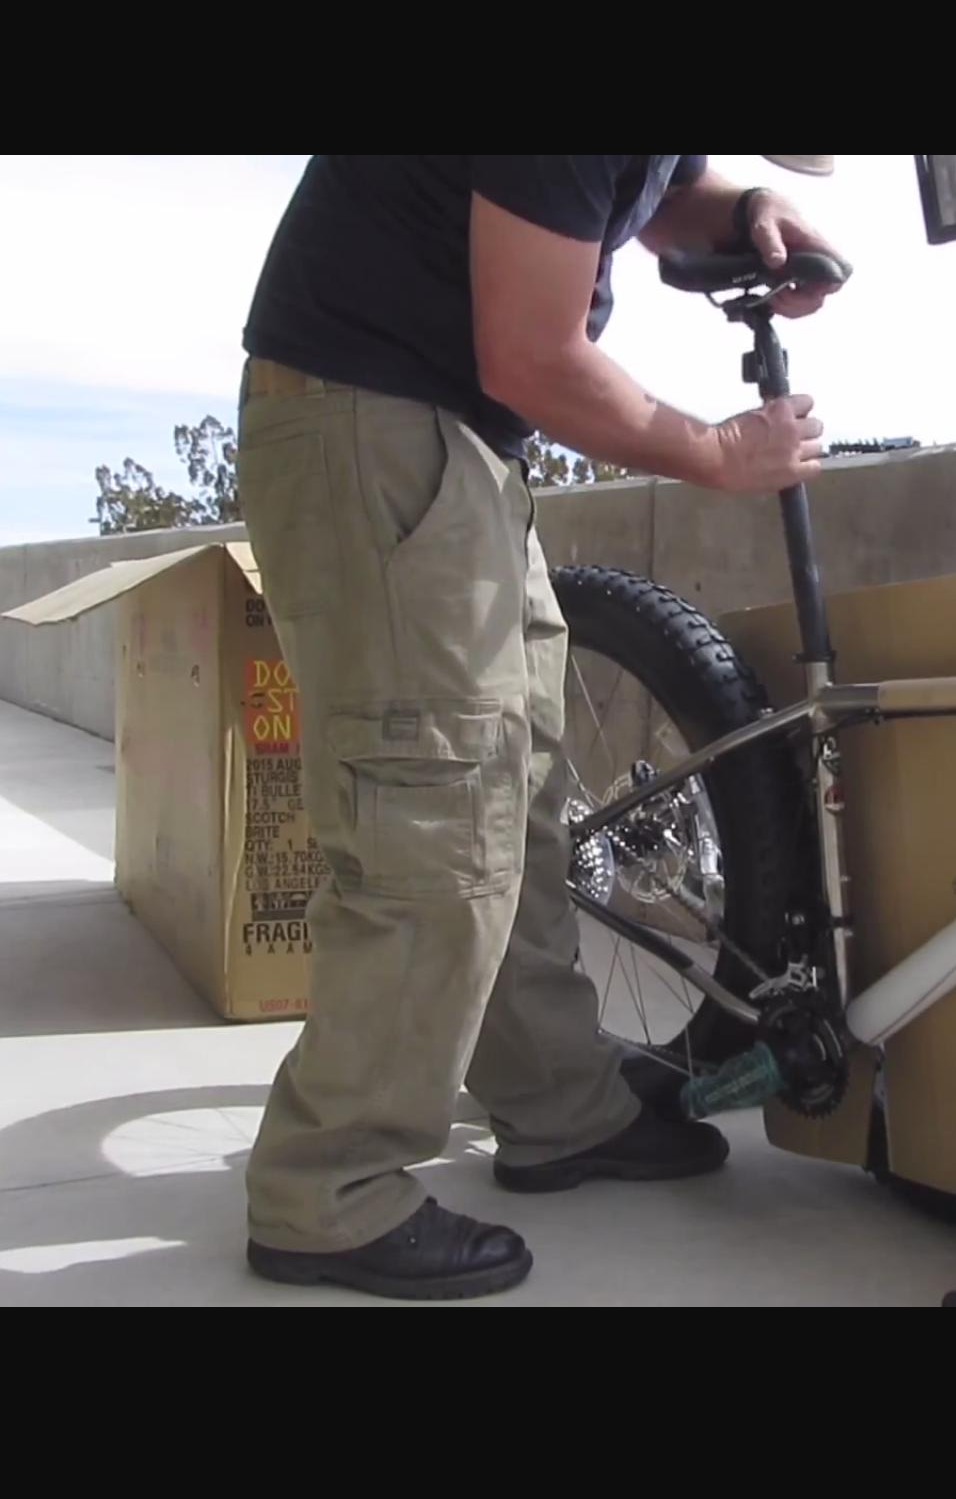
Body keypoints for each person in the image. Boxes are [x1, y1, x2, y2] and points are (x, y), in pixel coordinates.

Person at [235, 155, 846, 1300]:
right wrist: (715, 453)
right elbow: (531, 352)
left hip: (446, 434)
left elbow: (662, 198)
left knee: (511, 795)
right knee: (433, 817)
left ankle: (561, 1109)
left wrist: (748, 212)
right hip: (375, 423)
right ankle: (328, 1188)